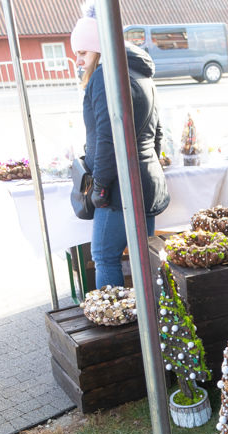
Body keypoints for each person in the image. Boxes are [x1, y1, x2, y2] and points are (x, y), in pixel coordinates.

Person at [71, 5, 169, 288]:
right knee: (144, 256)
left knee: (104, 255)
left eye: (83, 52)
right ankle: (155, 320)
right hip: (146, 179)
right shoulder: (141, 71)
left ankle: (115, 323)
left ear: (98, 49)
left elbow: (106, 139)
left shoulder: (105, 77)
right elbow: (158, 131)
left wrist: (100, 186)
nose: (78, 60)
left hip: (118, 186)